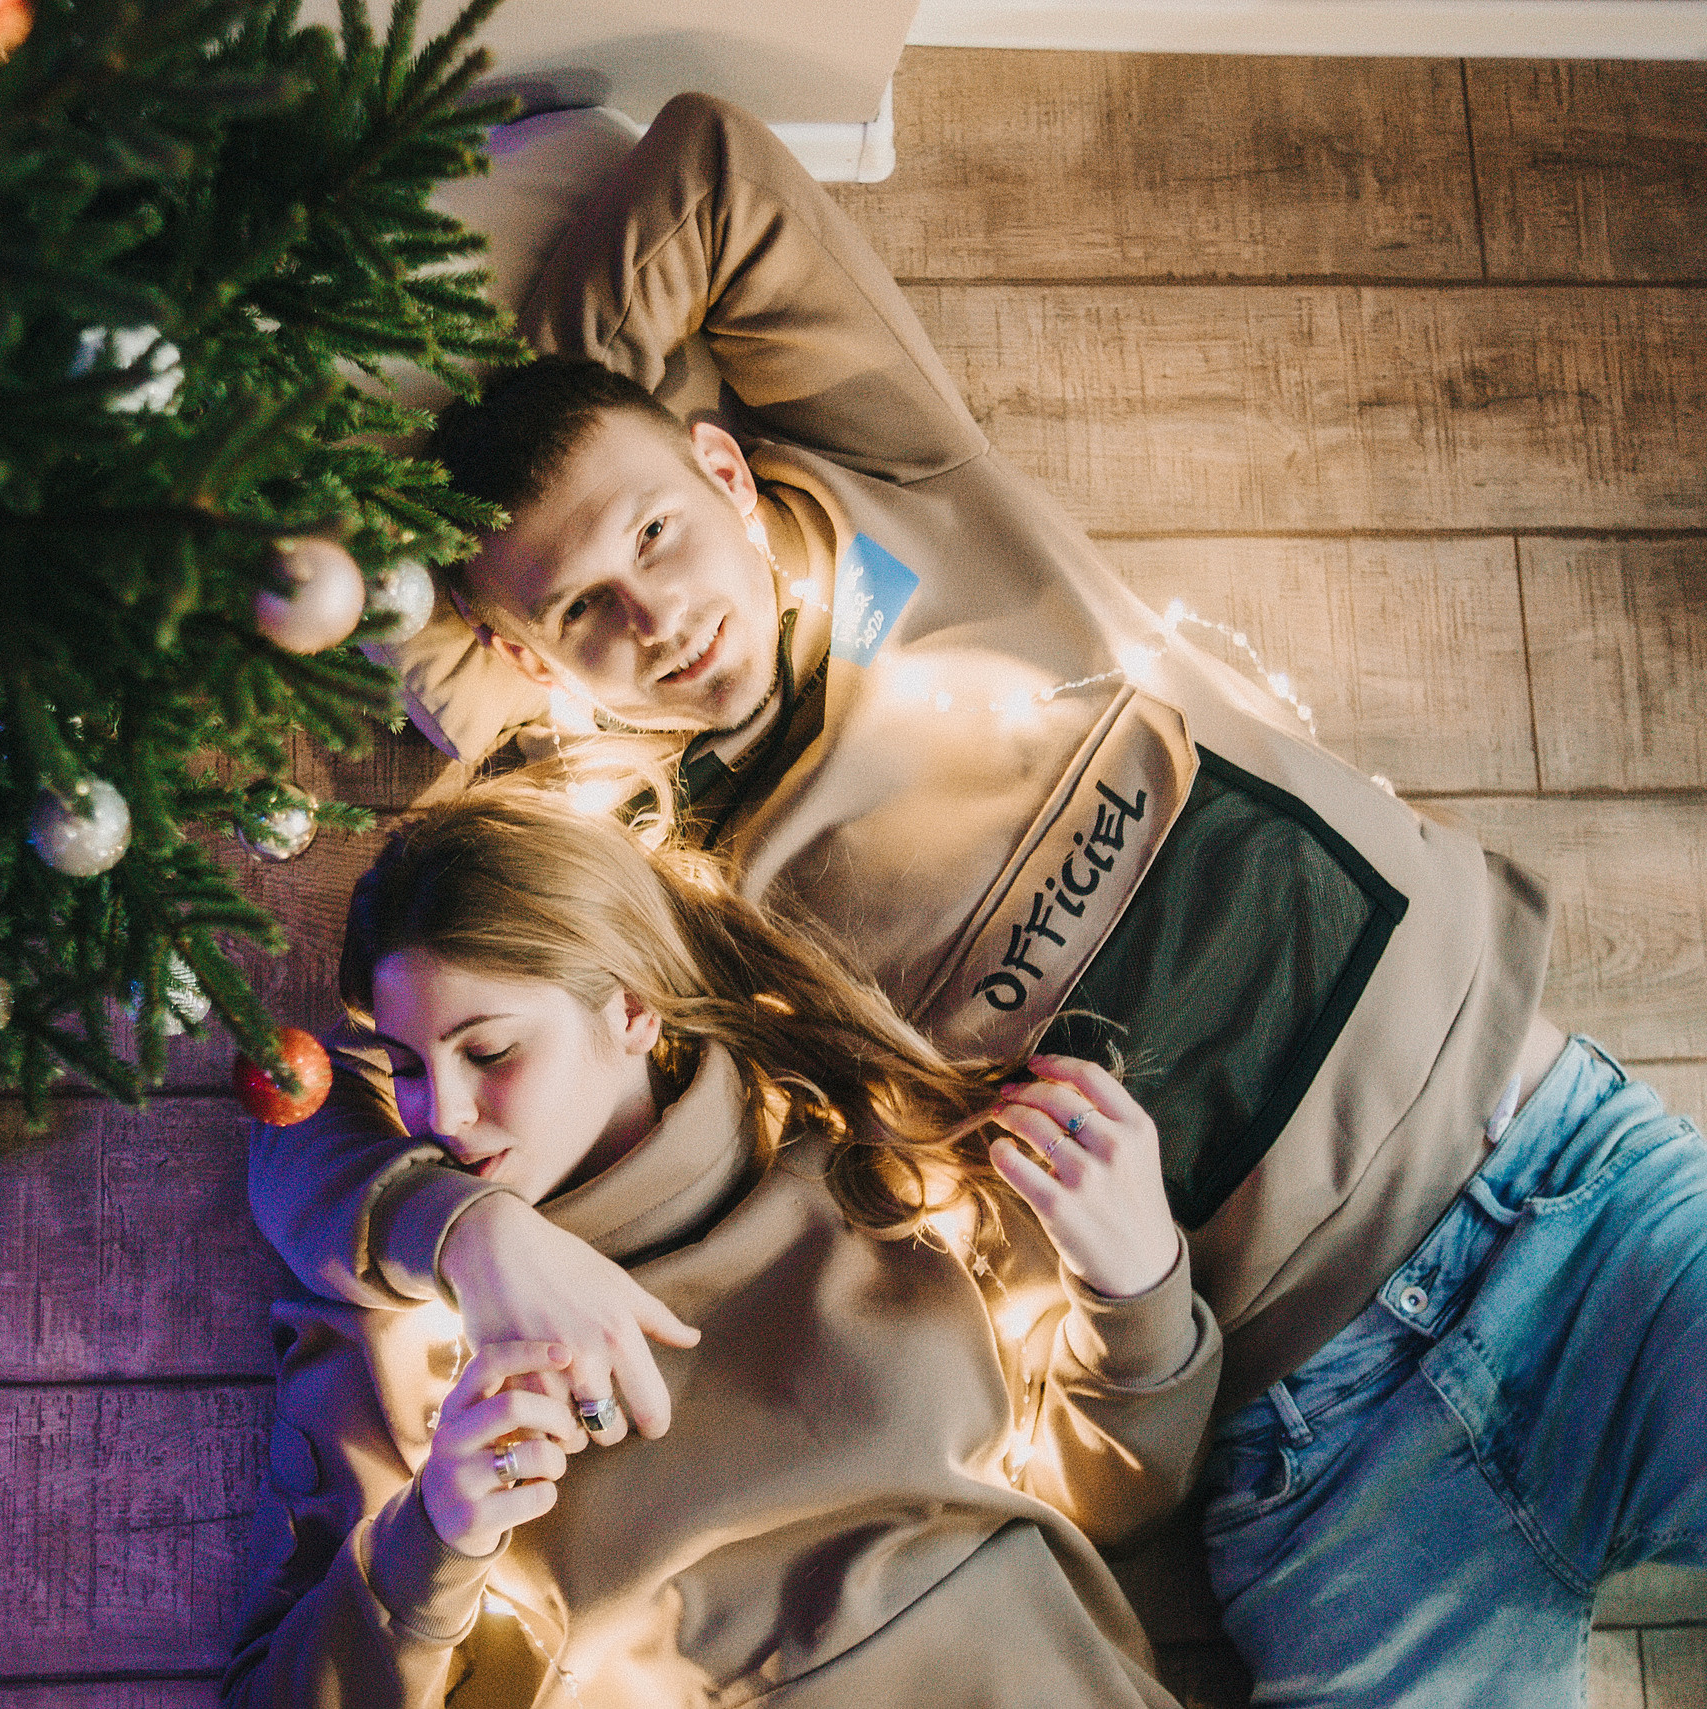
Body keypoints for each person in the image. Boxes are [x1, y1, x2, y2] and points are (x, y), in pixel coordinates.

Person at [248, 92, 1707, 1705]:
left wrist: (574, 405)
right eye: (585, 608)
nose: (651, 613)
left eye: (661, 529)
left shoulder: (901, 485)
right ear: (535, 662)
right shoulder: (659, 866)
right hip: (1320, 1447)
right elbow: (366, 673)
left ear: (727, 467)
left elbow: (712, 174)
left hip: (1560, 1196)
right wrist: (470, 1239)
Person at [224, 783, 1220, 1707]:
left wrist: (1135, 1289)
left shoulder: (859, 1151)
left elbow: (1118, 1501)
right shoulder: (404, 1325)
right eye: (403, 1063)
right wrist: (433, 1534)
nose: (439, 1110)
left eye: (491, 1051)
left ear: (630, 1010)